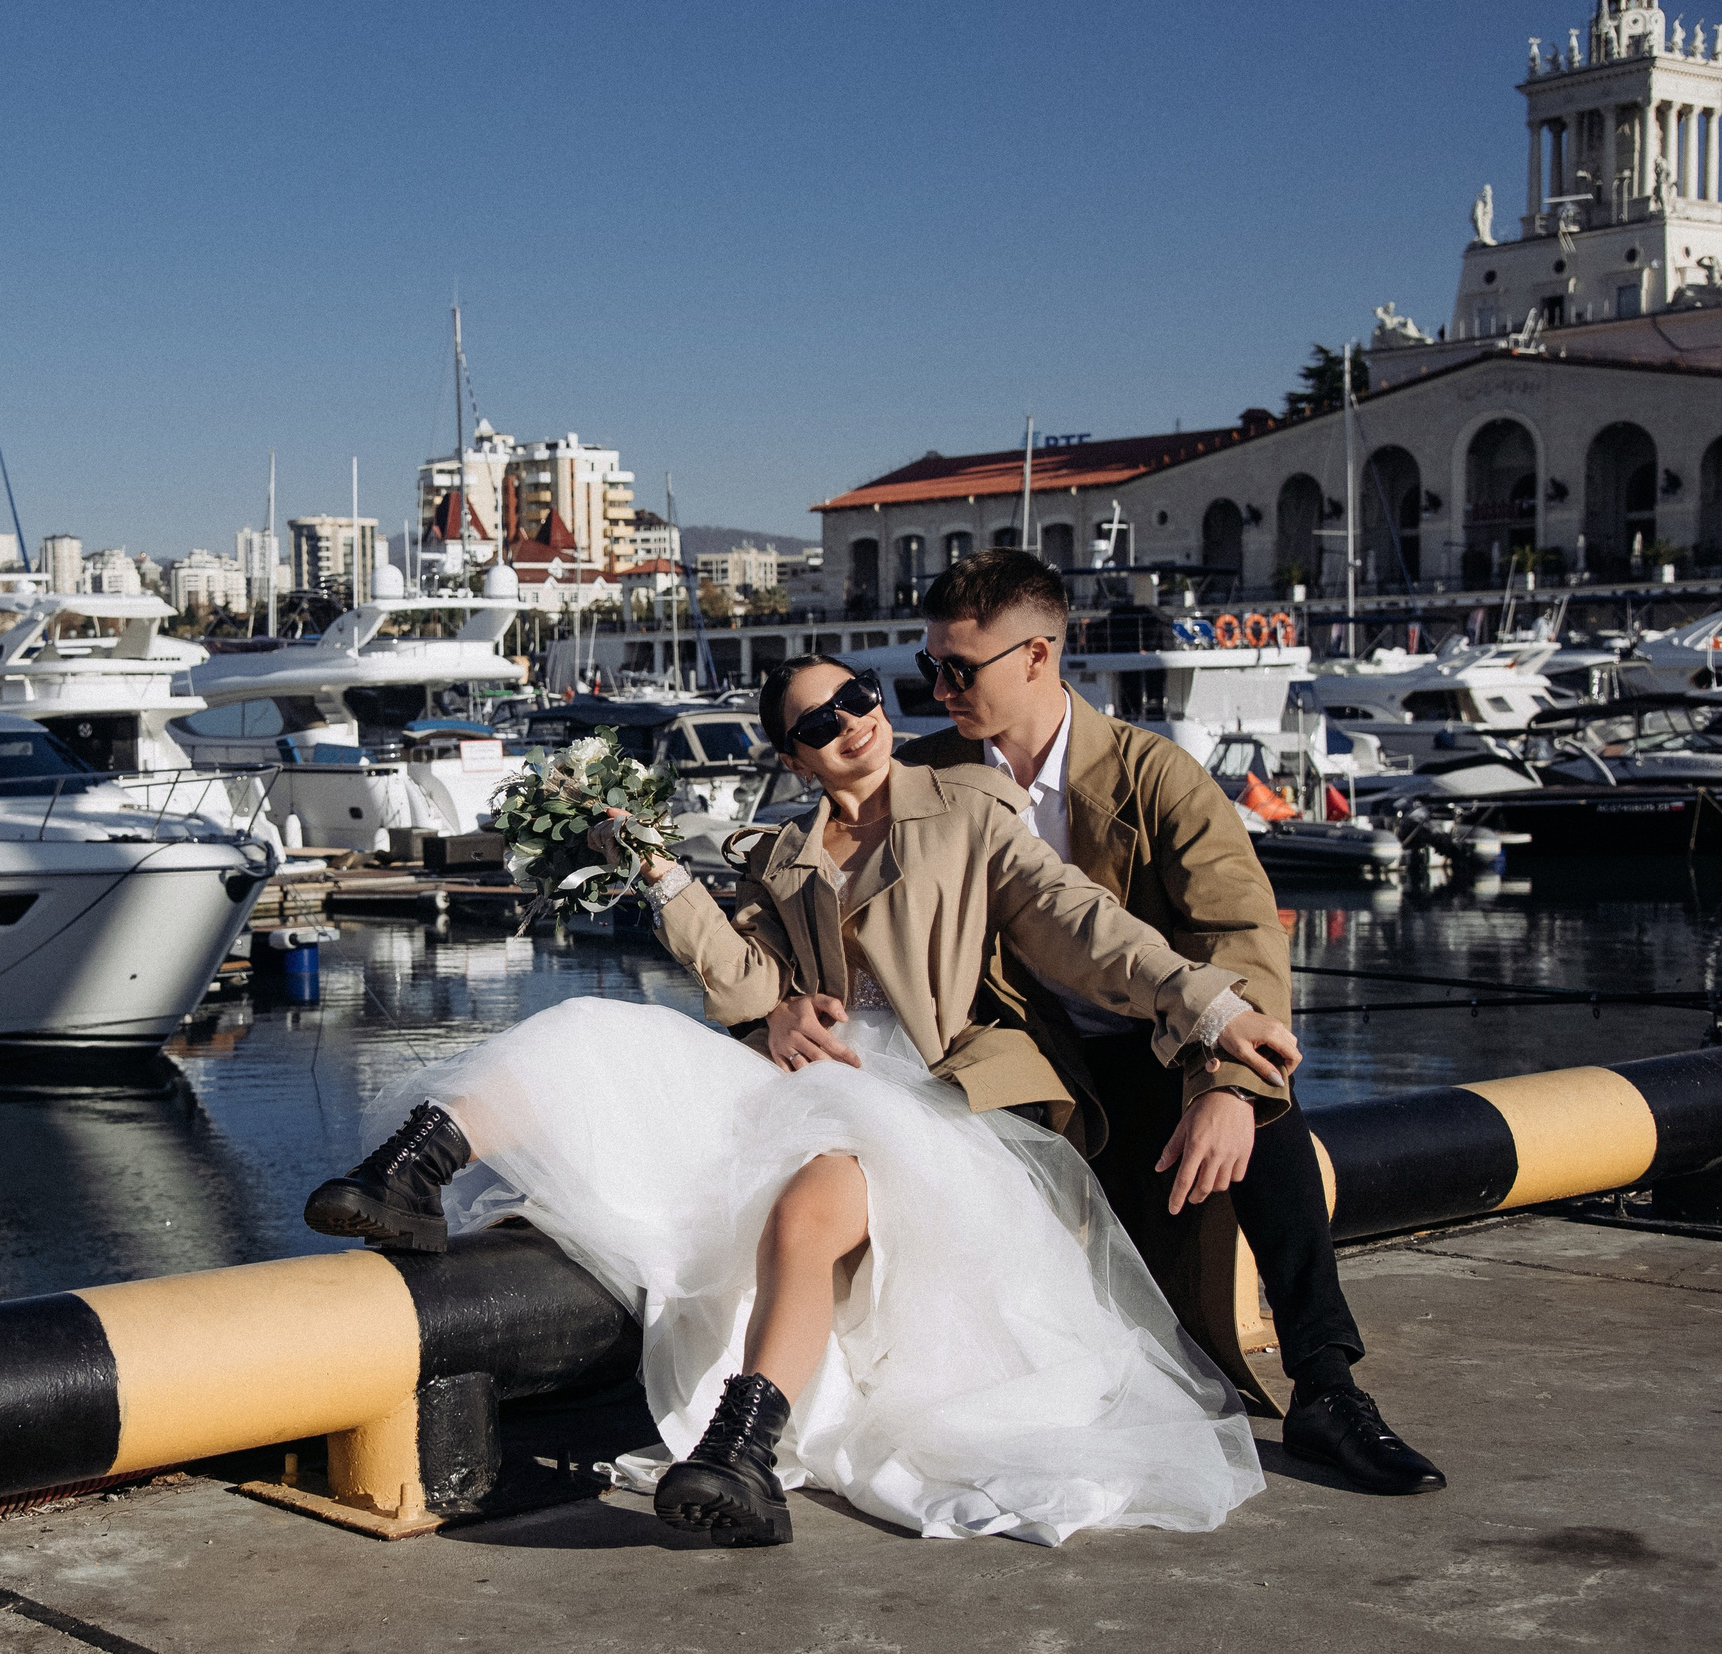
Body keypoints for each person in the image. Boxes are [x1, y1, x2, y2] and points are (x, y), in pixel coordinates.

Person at [304, 655, 1297, 1547]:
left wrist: (1207, 1006)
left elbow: (1082, 924)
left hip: (938, 1100)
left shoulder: (968, 809)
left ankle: (741, 1448)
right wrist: (669, 885)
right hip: (807, 1081)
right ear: (793, 755)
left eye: (858, 697)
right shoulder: (777, 854)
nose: (852, 722)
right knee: (594, 1028)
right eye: (819, 722)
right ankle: (409, 1169)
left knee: (810, 1200)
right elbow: (747, 981)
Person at [831, 546, 1439, 1497]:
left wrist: (1226, 1087)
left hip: (1160, 1048)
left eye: (959, 669)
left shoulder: (1158, 776)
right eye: (929, 667)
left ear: (1038, 656)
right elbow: (834, 897)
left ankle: (1328, 1387)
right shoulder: (925, 777)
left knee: (1269, 1110)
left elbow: (1240, 937)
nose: (938, 690)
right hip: (1022, 1064)